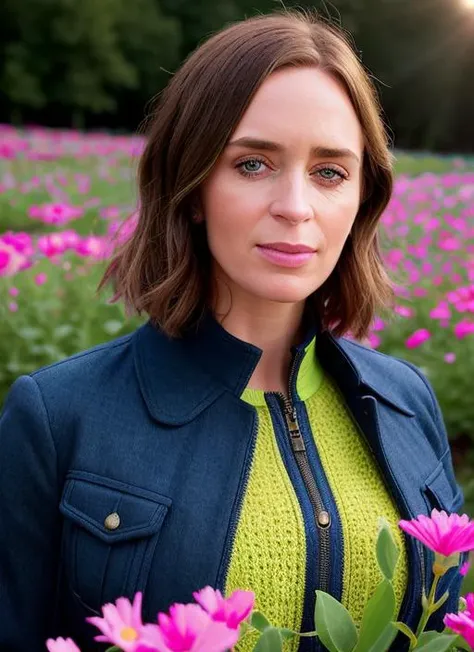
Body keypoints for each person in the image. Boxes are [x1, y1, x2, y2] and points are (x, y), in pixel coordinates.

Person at [0, 10, 466, 652]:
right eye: (252, 164)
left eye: (329, 172)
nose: (295, 207)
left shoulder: (407, 401)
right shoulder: (59, 418)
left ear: (362, 198)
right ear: (192, 186)